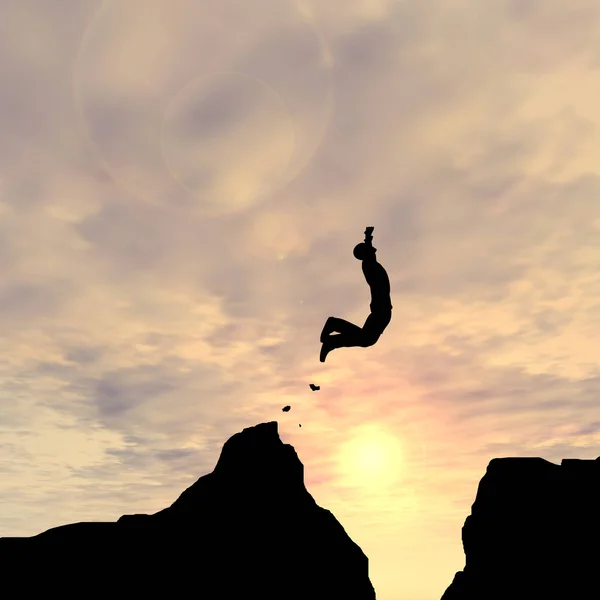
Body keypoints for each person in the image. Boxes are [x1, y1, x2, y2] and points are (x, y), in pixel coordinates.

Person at [319, 226, 393, 362]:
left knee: (365, 338)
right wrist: (368, 236)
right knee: (366, 339)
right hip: (381, 310)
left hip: (381, 309)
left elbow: (370, 251)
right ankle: (333, 329)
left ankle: (332, 335)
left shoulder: (370, 263)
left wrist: (368, 236)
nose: (374, 250)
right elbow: (370, 253)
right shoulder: (369, 265)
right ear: (365, 254)